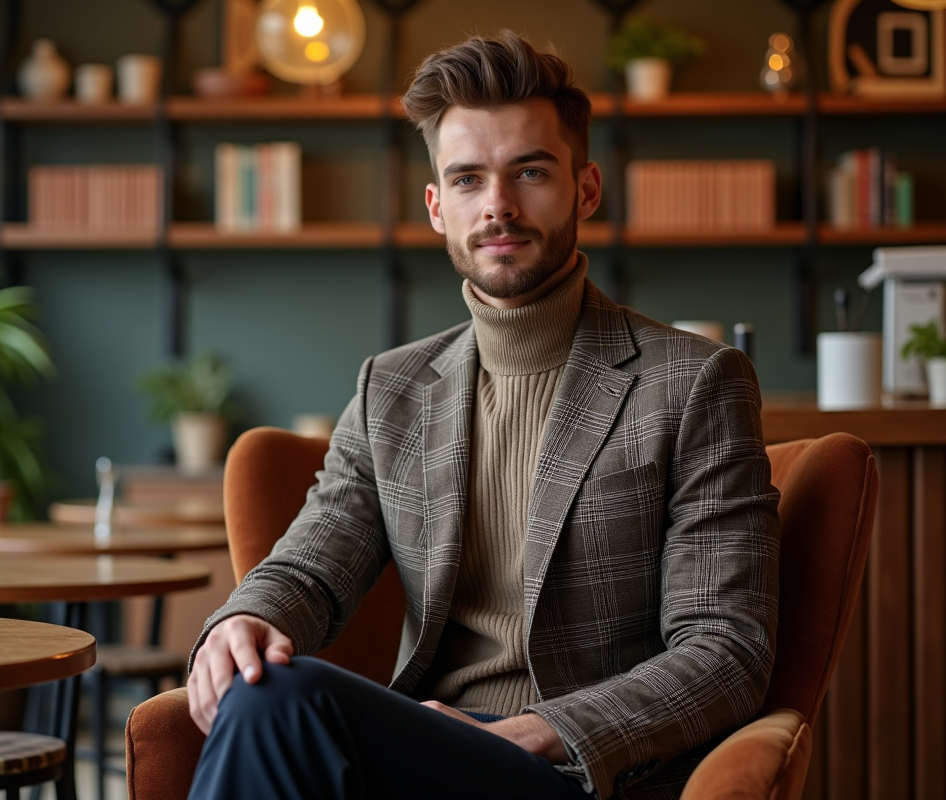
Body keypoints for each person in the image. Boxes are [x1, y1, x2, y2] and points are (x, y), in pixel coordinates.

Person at [185, 30, 780, 800]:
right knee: (263, 683)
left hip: (579, 770)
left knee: (285, 702)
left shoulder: (694, 383)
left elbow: (726, 651)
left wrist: (536, 731)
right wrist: (242, 619)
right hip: (418, 758)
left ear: (586, 188)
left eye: (529, 172)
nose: (498, 206)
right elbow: (311, 565)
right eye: (468, 179)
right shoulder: (390, 389)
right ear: (437, 207)